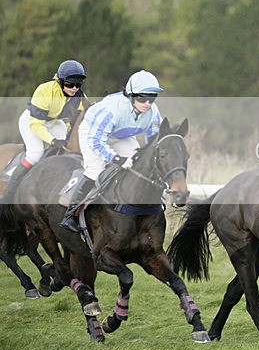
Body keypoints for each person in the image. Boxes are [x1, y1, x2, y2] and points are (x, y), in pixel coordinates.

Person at [60, 70, 164, 232]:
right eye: (142, 98)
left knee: (136, 164)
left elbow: (154, 140)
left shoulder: (153, 112)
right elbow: (96, 141)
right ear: (130, 95)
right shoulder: (113, 109)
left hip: (120, 135)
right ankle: (70, 214)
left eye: (152, 98)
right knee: (96, 170)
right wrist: (116, 159)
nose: (147, 104)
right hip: (93, 132)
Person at [2, 60, 87, 202]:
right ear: (60, 81)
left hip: (52, 121)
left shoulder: (79, 96)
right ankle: (9, 194)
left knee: (67, 147)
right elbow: (36, 124)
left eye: (78, 84)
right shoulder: (45, 90)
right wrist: (52, 140)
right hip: (32, 120)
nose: (74, 88)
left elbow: (83, 114)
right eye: (70, 84)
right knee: (35, 153)